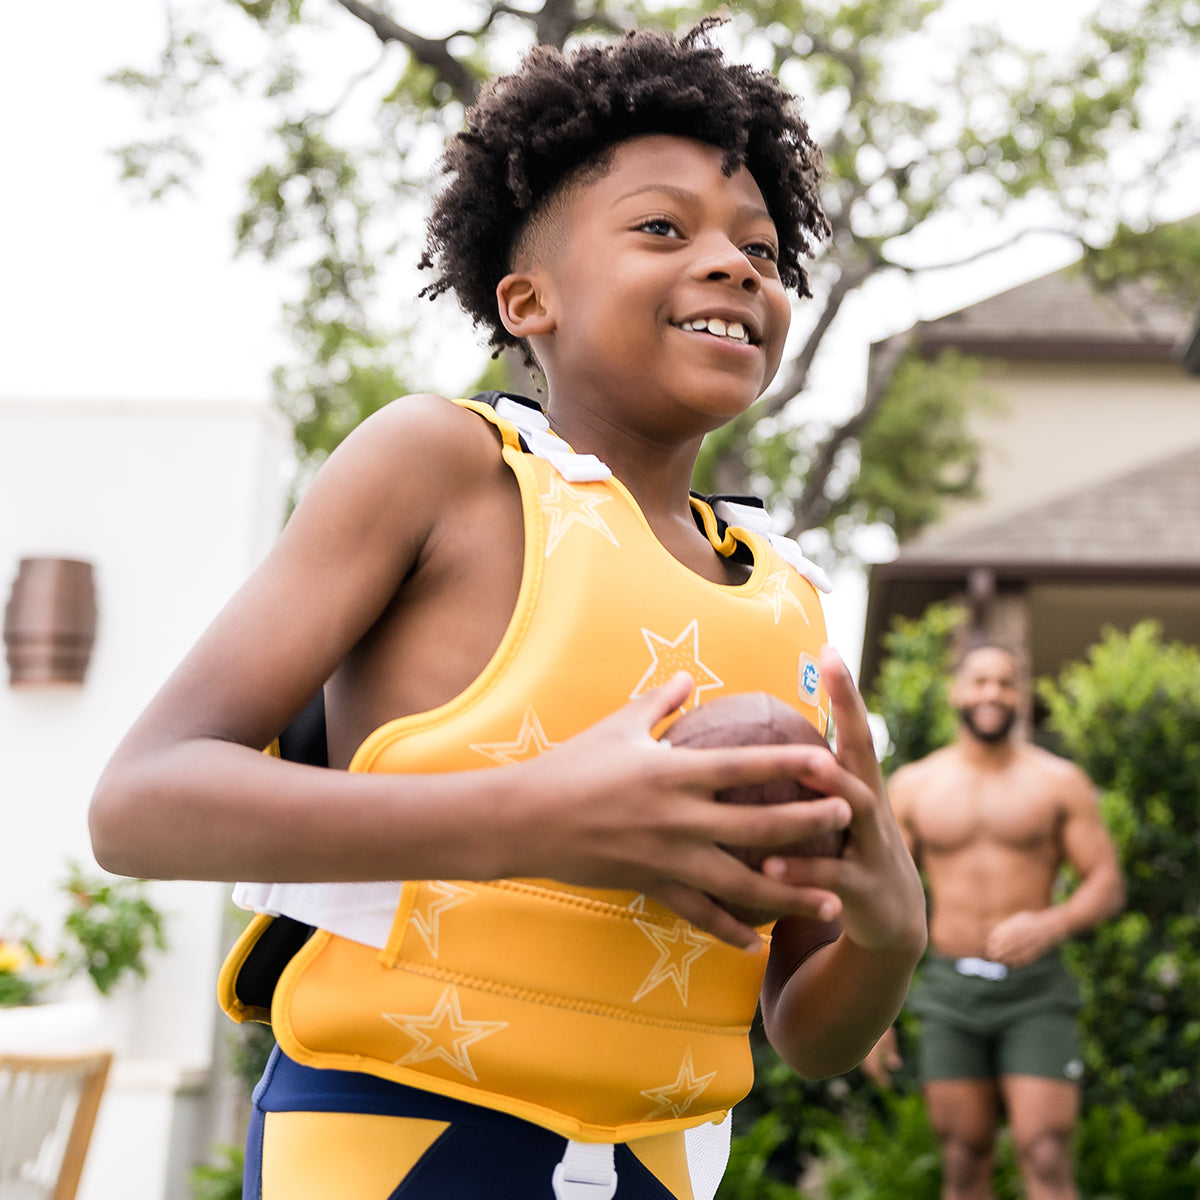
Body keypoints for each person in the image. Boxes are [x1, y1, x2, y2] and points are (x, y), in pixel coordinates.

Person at [90, 23, 926, 1200]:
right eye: (660, 227)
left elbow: (804, 1026)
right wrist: (538, 818)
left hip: (660, 1168)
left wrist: (888, 939)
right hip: (397, 1143)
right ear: (527, 298)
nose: (739, 266)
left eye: (764, 250)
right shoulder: (445, 468)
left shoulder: (787, 597)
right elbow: (140, 806)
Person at [864, 643, 1124, 1200]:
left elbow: (1105, 881)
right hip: (949, 991)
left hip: (1036, 993)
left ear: (1020, 696)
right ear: (957, 690)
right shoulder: (913, 785)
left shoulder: (1058, 781)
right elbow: (881, 899)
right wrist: (871, 1014)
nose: (992, 693)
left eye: (1006, 683)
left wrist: (1049, 924)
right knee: (962, 1157)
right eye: (980, 681)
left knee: (1046, 1151)